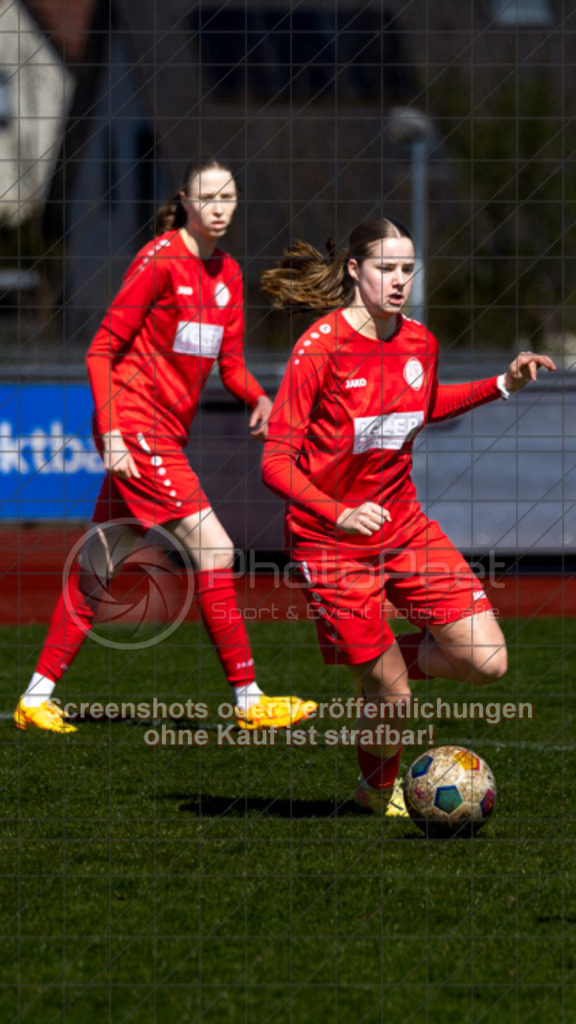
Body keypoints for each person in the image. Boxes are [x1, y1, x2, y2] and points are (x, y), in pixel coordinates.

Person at [260, 217, 556, 815]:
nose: (399, 281)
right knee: (393, 697)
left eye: (406, 269)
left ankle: (381, 662)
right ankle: (376, 789)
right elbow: (274, 462)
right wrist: (338, 513)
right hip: (330, 542)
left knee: (488, 661)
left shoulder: (420, 340)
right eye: (385, 269)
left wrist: (502, 383)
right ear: (354, 270)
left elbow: (423, 405)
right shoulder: (320, 348)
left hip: (404, 526)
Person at [15, 158, 317, 734]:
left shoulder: (227, 275)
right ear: (185, 200)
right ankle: (251, 701)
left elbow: (229, 364)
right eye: (208, 197)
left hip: (162, 436)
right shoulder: (159, 261)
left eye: (229, 196)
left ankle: (35, 696)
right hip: (137, 429)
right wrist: (110, 433)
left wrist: (257, 396)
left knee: (97, 567)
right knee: (217, 552)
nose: (220, 207)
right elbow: (100, 350)